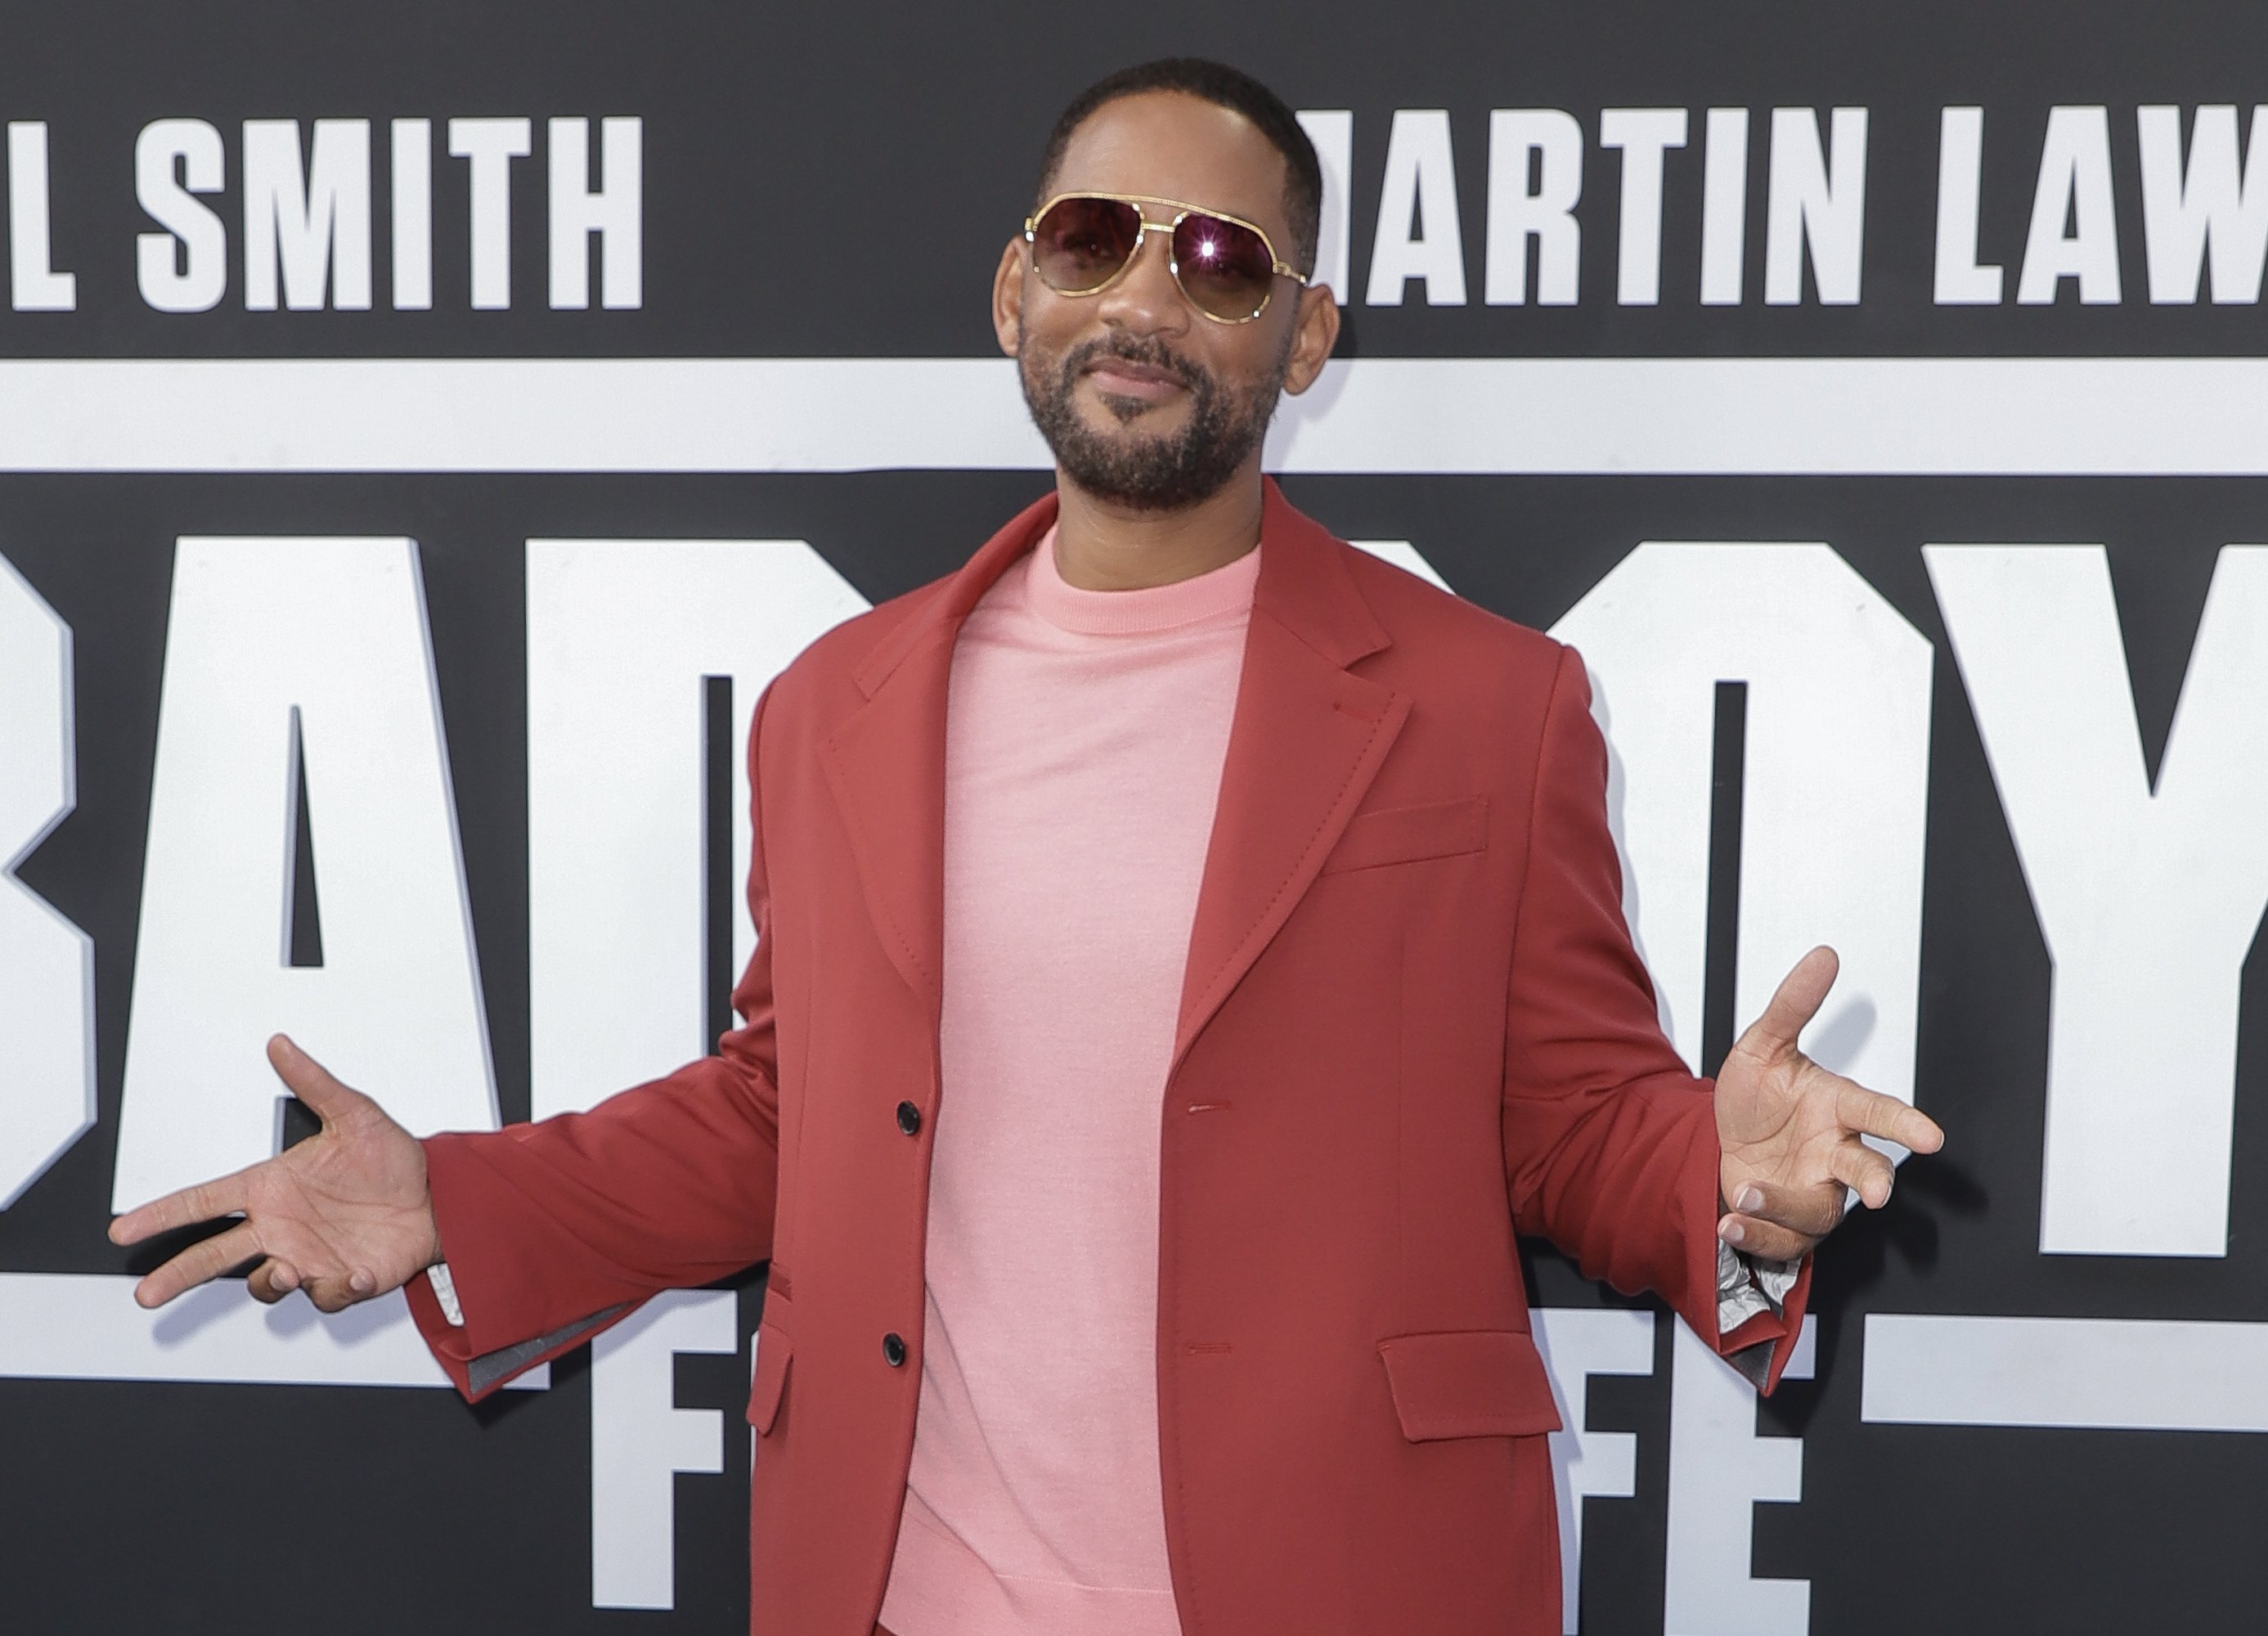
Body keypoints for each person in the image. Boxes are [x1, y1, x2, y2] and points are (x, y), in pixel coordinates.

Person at [110, 56, 1942, 1636]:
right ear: (1014, 288)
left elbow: (1564, 1123)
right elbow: (785, 1108)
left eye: (1219, 262)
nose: (1143, 300)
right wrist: (456, 1197)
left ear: (1305, 337)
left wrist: (1727, 1181)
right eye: (1092, 241)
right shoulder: (834, 704)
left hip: (1345, 1577)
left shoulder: (1487, 704)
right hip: (911, 1587)